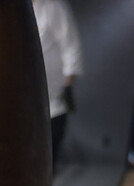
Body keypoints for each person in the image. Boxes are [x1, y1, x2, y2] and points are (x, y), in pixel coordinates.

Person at [32, 0, 83, 171]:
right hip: (26, 100)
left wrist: (68, 85)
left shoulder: (54, 7)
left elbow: (71, 47)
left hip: (54, 99)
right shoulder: (16, 9)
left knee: (47, 157)